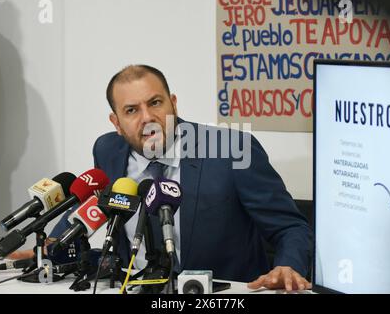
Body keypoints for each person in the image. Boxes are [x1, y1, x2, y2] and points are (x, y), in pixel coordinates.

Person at [90, 64, 313, 291]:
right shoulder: (107, 151)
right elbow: (98, 207)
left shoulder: (231, 150)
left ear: (174, 104)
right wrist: (56, 242)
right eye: (131, 110)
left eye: (155, 103)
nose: (147, 117)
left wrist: (288, 266)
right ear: (116, 123)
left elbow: (291, 228)